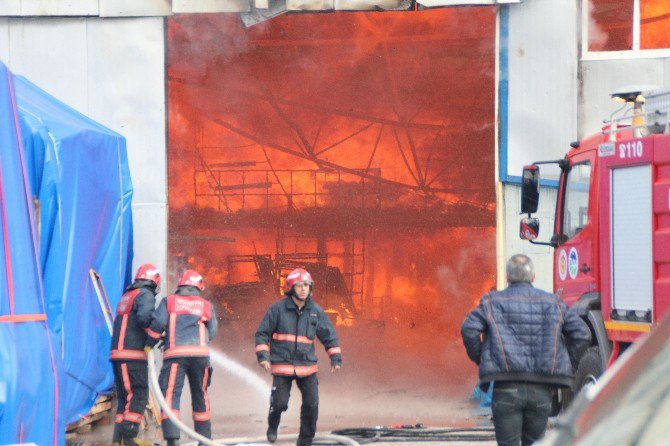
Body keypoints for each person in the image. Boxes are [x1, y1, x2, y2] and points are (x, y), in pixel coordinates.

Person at [461, 254, 591, 446]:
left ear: (507, 277)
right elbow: (582, 334)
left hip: (506, 388)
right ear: (533, 277)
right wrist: (566, 363)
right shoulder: (553, 302)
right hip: (541, 391)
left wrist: (481, 357)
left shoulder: (491, 302)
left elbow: (469, 328)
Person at [255, 268, 342, 446]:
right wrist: (263, 356)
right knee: (279, 403)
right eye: (300, 285)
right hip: (282, 364)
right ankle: (273, 425)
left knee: (311, 405)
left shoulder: (315, 311)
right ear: (291, 288)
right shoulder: (277, 309)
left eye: (307, 285)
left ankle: (305, 440)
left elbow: (328, 334)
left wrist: (335, 358)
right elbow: (262, 334)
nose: (303, 289)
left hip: (307, 366)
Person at [147, 269, 218, 446]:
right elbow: (213, 331)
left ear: (180, 285)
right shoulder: (205, 305)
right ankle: (205, 440)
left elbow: (158, 324)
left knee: (170, 395)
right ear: (199, 286)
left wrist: (150, 343)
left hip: (175, 357)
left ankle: (172, 440)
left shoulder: (169, 301)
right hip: (200, 356)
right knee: (200, 395)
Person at [110, 263, 162, 446]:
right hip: (132, 354)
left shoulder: (128, 295)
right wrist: (156, 334)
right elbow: (145, 318)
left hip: (119, 354)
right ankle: (130, 438)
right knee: (139, 394)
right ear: (154, 281)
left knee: (125, 399)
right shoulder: (145, 294)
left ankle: (118, 440)